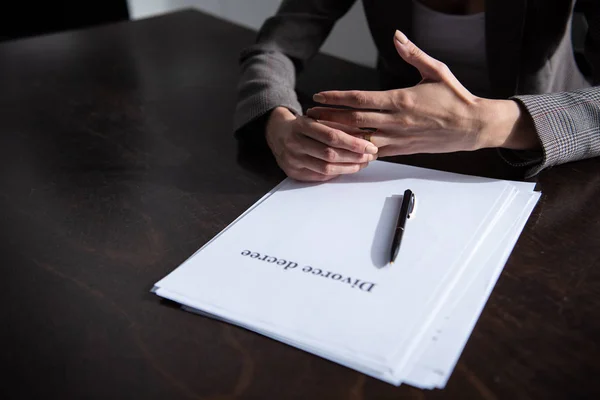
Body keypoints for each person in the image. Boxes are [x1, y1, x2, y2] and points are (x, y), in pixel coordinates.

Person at [234, 0, 600, 182]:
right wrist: (276, 121)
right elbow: (276, 47)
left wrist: (485, 123)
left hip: (551, 157)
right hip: (402, 154)